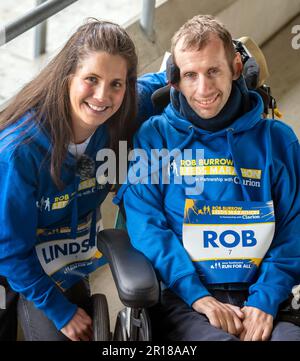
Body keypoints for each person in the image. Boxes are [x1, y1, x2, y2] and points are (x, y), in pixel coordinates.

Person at [114, 15, 300, 341]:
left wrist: (266, 299)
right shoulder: (154, 138)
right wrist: (198, 296)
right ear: (174, 80)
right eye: (190, 75)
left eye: (213, 71)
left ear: (236, 68)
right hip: (185, 299)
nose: (203, 89)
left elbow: (294, 227)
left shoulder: (278, 140)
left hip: (263, 294)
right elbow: (146, 226)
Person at [0, 19, 166, 341]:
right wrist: (59, 311)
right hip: (8, 254)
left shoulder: (126, 109)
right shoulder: (19, 151)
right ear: (68, 77)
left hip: (59, 256)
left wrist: (234, 65)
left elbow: (170, 79)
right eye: (91, 79)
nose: (103, 95)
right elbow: (7, 250)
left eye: (116, 84)